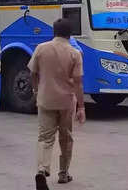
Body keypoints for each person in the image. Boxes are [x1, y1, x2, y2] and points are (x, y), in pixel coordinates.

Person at [28, 18, 86, 190]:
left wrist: (36, 92)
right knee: (66, 138)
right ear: (70, 34)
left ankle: (42, 169)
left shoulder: (41, 48)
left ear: (54, 31)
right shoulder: (74, 53)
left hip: (45, 100)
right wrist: (81, 107)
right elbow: (78, 83)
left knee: (45, 138)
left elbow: (33, 73)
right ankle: (63, 173)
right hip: (66, 102)